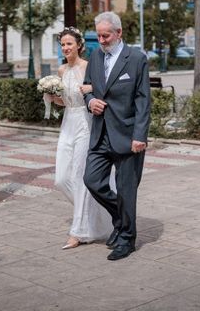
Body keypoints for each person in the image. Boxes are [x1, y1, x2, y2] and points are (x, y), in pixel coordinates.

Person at [83, 11, 151, 261]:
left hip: (127, 135)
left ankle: (127, 239)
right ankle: (120, 219)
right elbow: (88, 87)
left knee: (126, 191)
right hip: (100, 133)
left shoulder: (136, 58)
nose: (101, 40)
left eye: (105, 35)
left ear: (119, 33)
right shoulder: (95, 56)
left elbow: (143, 100)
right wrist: (91, 102)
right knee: (92, 180)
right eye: (98, 35)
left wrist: (140, 135)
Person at [46, 27, 113, 250]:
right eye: (62, 44)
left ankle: (78, 232)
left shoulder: (88, 66)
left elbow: (101, 90)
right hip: (67, 123)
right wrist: (51, 97)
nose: (65, 48)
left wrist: (90, 88)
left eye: (69, 44)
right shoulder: (62, 70)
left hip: (85, 123)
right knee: (61, 178)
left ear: (79, 45)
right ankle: (97, 215)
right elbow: (64, 101)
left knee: (79, 173)